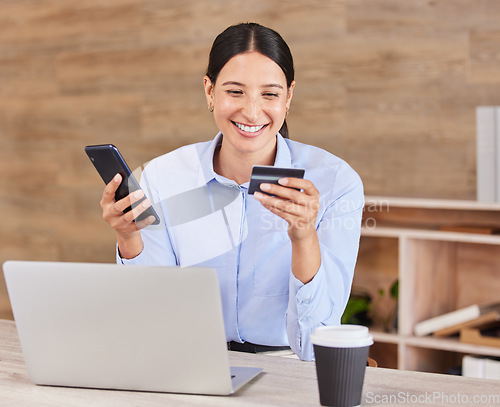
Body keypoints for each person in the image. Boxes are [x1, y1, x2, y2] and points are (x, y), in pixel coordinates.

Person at [100, 22, 364, 361]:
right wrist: (128, 238)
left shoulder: (335, 183)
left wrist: (303, 237)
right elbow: (151, 316)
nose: (252, 112)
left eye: (270, 94)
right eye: (235, 92)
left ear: (289, 95)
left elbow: (315, 344)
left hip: (289, 368)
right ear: (209, 91)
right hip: (189, 362)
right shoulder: (163, 177)